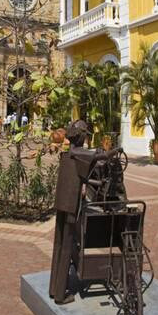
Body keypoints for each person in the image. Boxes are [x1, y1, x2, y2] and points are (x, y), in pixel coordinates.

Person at [49, 119, 123, 305]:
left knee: (58, 246)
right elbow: (102, 158)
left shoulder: (68, 153)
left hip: (60, 202)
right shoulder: (80, 153)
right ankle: (60, 295)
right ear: (81, 137)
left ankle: (53, 288)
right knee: (66, 247)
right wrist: (117, 151)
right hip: (71, 204)